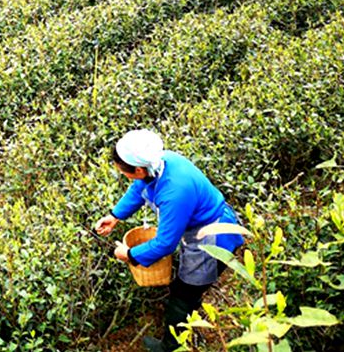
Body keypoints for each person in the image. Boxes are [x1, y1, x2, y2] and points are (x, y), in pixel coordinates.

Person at [94, 130, 245, 352]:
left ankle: (171, 347)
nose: (124, 176)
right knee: (187, 289)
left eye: (124, 172)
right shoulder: (160, 163)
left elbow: (165, 244)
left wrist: (130, 255)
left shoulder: (175, 191)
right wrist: (115, 215)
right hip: (199, 229)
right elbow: (139, 187)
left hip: (212, 237)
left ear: (138, 169)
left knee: (184, 294)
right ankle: (189, 318)